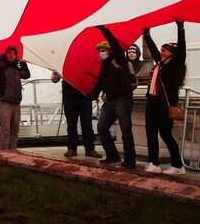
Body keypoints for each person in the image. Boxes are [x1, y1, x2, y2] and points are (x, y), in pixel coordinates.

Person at [142, 20, 186, 175]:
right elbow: (153, 50)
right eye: (161, 50)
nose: (161, 53)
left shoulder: (176, 64)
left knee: (166, 134)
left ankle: (178, 166)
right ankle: (154, 163)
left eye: (165, 51)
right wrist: (146, 34)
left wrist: (180, 28)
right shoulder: (160, 63)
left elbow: (182, 50)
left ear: (172, 53)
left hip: (164, 104)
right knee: (151, 133)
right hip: (152, 103)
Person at [91, 25, 137, 169]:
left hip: (122, 99)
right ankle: (112, 155)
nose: (101, 53)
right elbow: (100, 82)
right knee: (102, 126)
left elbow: (117, 46)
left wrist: (105, 31)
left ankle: (130, 160)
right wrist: (93, 94)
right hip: (109, 100)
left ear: (110, 51)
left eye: (103, 50)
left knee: (125, 130)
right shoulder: (104, 65)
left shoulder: (119, 60)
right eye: (99, 51)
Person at [50, 71, 102, 159]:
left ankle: (89, 149)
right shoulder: (63, 61)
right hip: (69, 96)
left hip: (85, 95)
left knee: (87, 124)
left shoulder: (86, 62)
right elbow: (54, 79)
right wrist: (55, 75)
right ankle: (72, 148)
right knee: (71, 124)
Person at [0, 43, 31, 150]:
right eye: (9, 53)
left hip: (16, 103)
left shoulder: (16, 69)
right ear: (5, 54)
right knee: (5, 130)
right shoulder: (0, 65)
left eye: (14, 53)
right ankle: (3, 153)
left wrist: (23, 62)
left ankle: (13, 152)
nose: (11, 55)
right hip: (4, 102)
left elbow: (26, 75)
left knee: (15, 130)